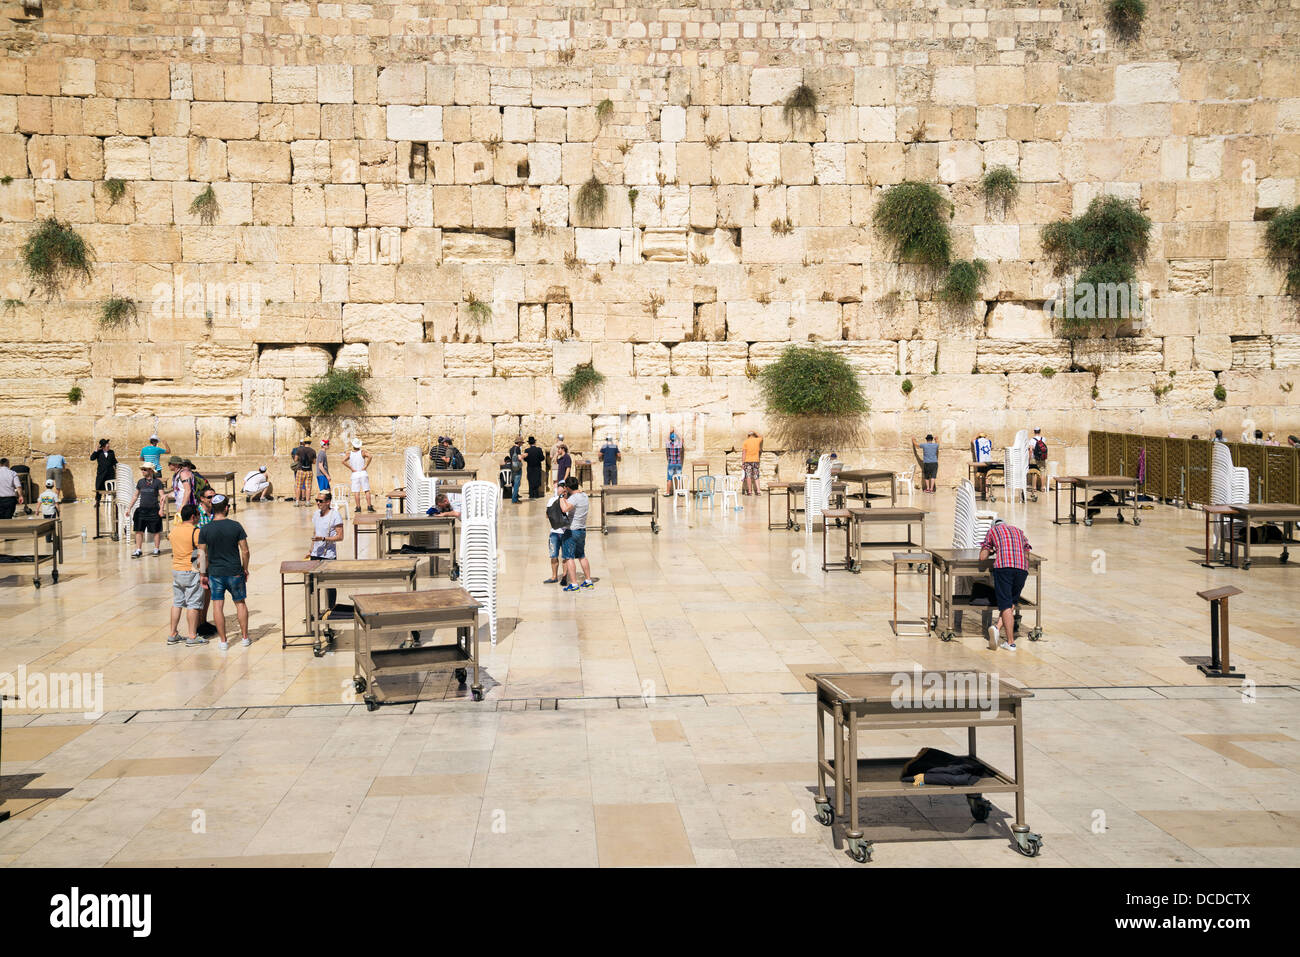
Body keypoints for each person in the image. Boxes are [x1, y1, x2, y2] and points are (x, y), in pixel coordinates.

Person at [197, 494, 250, 651]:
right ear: (226, 508)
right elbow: (245, 551)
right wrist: (245, 568)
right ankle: (245, 637)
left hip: (215, 573)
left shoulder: (205, 529)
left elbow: (200, 554)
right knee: (240, 603)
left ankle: (223, 641)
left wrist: (202, 574)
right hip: (234, 571)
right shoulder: (236, 526)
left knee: (217, 606)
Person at [980, 518, 1032, 652]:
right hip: (1022, 569)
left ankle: (1010, 642)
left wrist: (992, 551)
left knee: (1005, 604)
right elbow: (1027, 554)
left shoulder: (992, 531)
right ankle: (997, 628)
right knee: (1011, 601)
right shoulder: (1019, 531)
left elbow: (982, 557)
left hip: (1004, 568)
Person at [167, 504, 207, 646]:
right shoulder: (195, 532)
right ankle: (192, 636)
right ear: (193, 517)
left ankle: (173, 633)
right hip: (191, 570)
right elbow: (201, 553)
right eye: (198, 515)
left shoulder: (174, 531)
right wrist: (203, 573)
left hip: (176, 570)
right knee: (193, 604)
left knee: (177, 602)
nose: (199, 517)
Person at [308, 490, 345, 611]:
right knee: (312, 585)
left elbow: (340, 537)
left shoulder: (335, 515)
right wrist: (311, 549)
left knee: (330, 586)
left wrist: (324, 539)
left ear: (328, 502)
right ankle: (314, 611)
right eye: (317, 500)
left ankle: (330, 611)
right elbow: (315, 532)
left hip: (328, 555)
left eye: (321, 501)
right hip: (315, 554)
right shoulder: (316, 514)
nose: (318, 503)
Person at [558, 476, 594, 591]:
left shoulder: (574, 498)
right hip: (582, 530)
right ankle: (588, 580)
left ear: (567, 487)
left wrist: (560, 497)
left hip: (572, 531)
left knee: (569, 557)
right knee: (582, 556)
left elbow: (564, 509)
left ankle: (574, 584)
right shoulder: (584, 496)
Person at [125, 461, 167, 558]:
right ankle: (138, 550)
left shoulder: (158, 482)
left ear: (150, 471)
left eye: (144, 469)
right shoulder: (140, 482)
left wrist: (161, 509)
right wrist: (129, 508)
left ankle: (156, 549)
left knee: (156, 531)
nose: (142, 471)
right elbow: (135, 496)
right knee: (138, 530)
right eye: (142, 469)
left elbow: (162, 497)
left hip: (154, 510)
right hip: (142, 510)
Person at [543, 481, 572, 585]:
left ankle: (564, 577)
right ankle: (554, 576)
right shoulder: (552, 500)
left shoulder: (571, 500)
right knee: (553, 555)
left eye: (564, 487)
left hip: (566, 532)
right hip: (554, 532)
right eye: (561, 487)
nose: (563, 489)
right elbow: (547, 515)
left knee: (565, 556)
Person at [343, 437, 374, 513]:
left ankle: (358, 507)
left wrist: (351, 468)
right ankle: (369, 506)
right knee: (366, 490)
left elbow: (343, 461)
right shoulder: (362, 452)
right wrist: (366, 465)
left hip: (355, 473)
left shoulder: (349, 453)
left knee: (356, 491)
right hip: (363, 472)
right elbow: (370, 456)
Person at [90, 439, 117, 506]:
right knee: (99, 487)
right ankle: (97, 501)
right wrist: (96, 451)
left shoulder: (111, 452)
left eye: (108, 444)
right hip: (101, 474)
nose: (108, 445)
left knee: (110, 488)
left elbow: (114, 461)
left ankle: (111, 501)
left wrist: (118, 468)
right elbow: (92, 458)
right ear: (103, 446)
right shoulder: (99, 452)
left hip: (110, 474)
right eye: (107, 445)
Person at [291, 437, 315, 506]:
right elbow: (314, 462)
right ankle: (307, 502)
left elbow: (295, 459)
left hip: (300, 470)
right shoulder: (313, 451)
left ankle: (297, 502)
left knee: (298, 486)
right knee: (308, 487)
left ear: (304, 442)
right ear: (310, 443)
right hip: (309, 471)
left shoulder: (299, 450)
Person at [740, 431, 762, 495]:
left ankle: (749, 491)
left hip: (748, 461)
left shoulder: (745, 442)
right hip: (756, 461)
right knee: (756, 476)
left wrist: (743, 463)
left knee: (748, 476)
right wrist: (755, 432)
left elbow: (744, 453)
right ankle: (758, 491)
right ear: (754, 435)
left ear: (748, 436)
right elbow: (761, 437)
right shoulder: (757, 440)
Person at [664, 428, 684, 496]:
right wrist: (677, 432)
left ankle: (667, 492)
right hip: (678, 463)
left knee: (669, 478)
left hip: (671, 463)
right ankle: (680, 492)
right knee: (679, 477)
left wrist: (669, 432)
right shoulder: (679, 444)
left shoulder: (668, 444)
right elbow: (682, 439)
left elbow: (666, 439)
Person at [1028, 428, 1048, 493]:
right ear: (1040, 431)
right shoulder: (1043, 439)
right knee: (1042, 472)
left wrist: (1029, 458)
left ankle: (1034, 488)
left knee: (1034, 473)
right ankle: (1043, 488)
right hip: (1042, 458)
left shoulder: (1032, 440)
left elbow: (1030, 450)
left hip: (1034, 458)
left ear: (1034, 432)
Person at [508, 436, 524, 503]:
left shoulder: (511, 449)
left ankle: (515, 498)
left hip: (512, 467)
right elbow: (519, 458)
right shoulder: (517, 449)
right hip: (517, 467)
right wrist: (524, 455)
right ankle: (514, 499)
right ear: (519, 442)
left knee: (515, 483)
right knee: (517, 483)